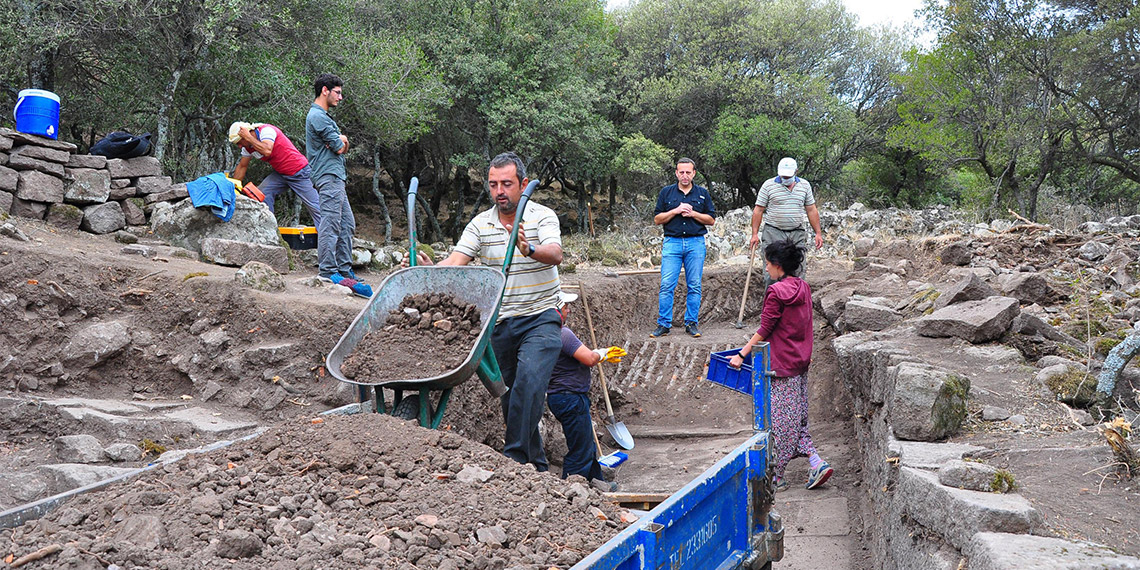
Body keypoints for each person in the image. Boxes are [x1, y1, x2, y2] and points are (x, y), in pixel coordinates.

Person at [416, 152, 564, 471]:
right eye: (494, 184)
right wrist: (427, 271)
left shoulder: (541, 217)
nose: (500, 191)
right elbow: (455, 263)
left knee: (529, 384)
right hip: (499, 324)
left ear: (523, 185)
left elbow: (555, 254)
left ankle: (512, 458)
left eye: (507, 184)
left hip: (541, 318)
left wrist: (529, 249)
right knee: (511, 397)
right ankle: (536, 466)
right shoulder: (480, 224)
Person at [729, 239, 832, 491]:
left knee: (781, 422)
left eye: (767, 264)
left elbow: (765, 328)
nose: (765, 269)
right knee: (798, 418)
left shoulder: (775, 292)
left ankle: (777, 475)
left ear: (777, 265)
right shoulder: (804, 288)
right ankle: (816, 461)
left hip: (780, 366)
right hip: (800, 362)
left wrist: (742, 354)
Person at [547, 291, 625, 491]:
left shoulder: (544, 334)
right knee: (580, 449)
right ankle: (572, 489)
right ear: (555, 310)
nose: (569, 310)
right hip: (569, 397)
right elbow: (589, 359)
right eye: (565, 307)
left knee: (586, 443)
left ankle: (596, 482)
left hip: (562, 397)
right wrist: (603, 353)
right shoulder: (563, 334)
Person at [305, 73, 370, 297]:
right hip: (328, 176)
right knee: (331, 223)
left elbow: (341, 145)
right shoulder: (318, 117)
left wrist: (342, 140)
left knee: (346, 224)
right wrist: (341, 139)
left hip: (335, 177)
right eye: (338, 92)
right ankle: (327, 271)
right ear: (325, 90)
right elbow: (339, 147)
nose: (340, 97)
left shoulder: (323, 116)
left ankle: (344, 271)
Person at [650, 158, 716, 338]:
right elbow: (657, 219)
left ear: (694, 173)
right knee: (666, 285)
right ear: (676, 173)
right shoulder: (666, 193)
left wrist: (693, 213)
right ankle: (663, 324)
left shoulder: (702, 193)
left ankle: (691, 323)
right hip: (672, 242)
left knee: (694, 285)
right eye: (681, 172)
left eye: (688, 172)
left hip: (696, 243)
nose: (684, 176)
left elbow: (711, 219)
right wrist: (675, 211)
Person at [228, 121, 322, 227]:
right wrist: (234, 188)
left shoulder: (266, 131)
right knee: (262, 194)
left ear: (247, 134)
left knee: (316, 208)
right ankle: (270, 229)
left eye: (240, 142)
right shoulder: (247, 147)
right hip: (282, 174)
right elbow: (242, 166)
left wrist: (249, 138)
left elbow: (267, 150)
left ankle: (331, 241)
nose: (240, 146)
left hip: (299, 171)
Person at [749, 157, 823, 288]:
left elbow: (811, 209)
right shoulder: (768, 185)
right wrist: (754, 234)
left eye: (788, 176)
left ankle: (796, 305)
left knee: (798, 272)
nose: (785, 178)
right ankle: (772, 305)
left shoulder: (804, 185)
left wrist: (818, 232)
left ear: (796, 172)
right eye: (783, 175)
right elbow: (758, 210)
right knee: (772, 272)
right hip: (773, 232)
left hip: (796, 232)